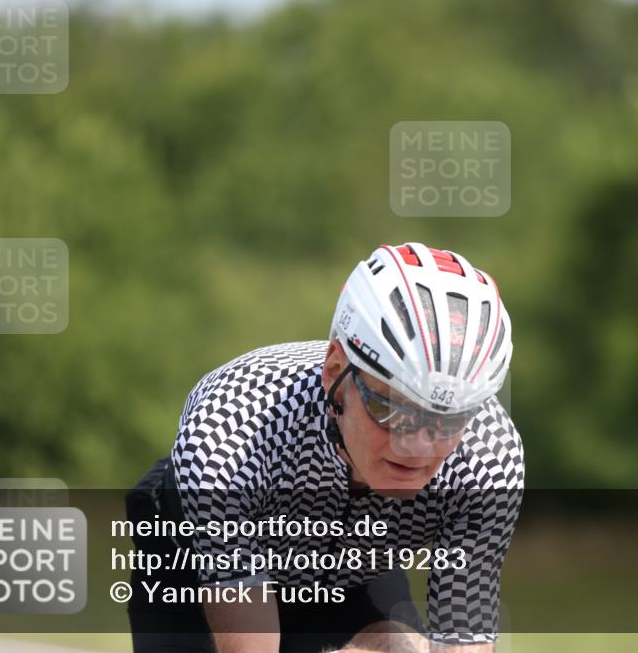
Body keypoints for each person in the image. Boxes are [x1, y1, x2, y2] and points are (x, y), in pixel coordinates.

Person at [126, 243, 524, 653]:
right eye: (392, 409)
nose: (418, 446)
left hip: (352, 568)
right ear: (335, 372)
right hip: (195, 565)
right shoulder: (232, 431)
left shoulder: (488, 456)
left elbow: (463, 637)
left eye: (448, 421)